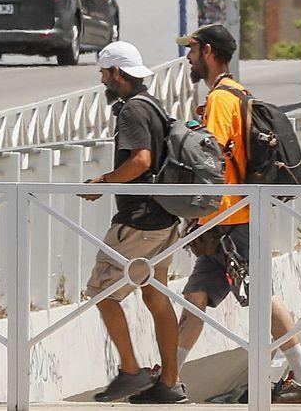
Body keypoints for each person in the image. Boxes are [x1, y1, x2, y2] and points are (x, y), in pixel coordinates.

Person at [174, 25, 301, 404]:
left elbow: (211, 159)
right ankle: (170, 378)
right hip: (229, 215)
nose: (188, 58)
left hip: (232, 217)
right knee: (197, 294)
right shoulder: (238, 93)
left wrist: (201, 210)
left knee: (261, 294)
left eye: (192, 50)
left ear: (208, 52)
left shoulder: (222, 100)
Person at [82, 41, 187, 404]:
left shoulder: (130, 111)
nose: (102, 80)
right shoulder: (156, 106)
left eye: (104, 73)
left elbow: (141, 160)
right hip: (164, 219)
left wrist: (104, 182)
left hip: (139, 221)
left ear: (116, 73)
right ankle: (169, 382)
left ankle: (131, 371)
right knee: (157, 297)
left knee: (101, 293)